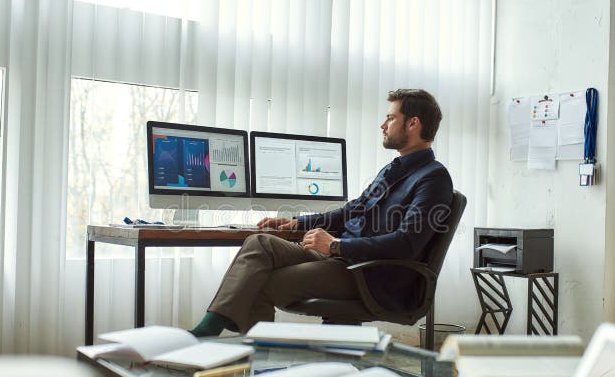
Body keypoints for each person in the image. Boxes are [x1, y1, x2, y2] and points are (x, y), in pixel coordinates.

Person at [191, 88, 454, 337]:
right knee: (260, 243)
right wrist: (297, 223)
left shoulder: (433, 178)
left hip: (370, 276)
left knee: (261, 282)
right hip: (343, 259)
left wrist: (336, 245)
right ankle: (211, 328)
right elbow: (351, 211)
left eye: (391, 118)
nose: (383, 125)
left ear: (413, 123)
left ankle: (248, 352)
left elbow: (406, 243)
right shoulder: (392, 169)